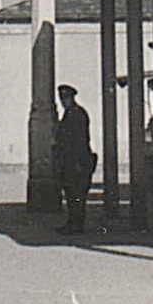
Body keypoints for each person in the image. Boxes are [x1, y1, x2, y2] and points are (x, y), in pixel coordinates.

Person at [53, 84, 96, 234]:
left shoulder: (77, 114)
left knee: (77, 195)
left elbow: (80, 140)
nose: (63, 101)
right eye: (61, 98)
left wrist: (77, 162)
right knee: (71, 194)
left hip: (77, 161)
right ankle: (72, 222)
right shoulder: (69, 114)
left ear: (72, 98)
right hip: (69, 161)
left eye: (65, 98)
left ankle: (76, 224)